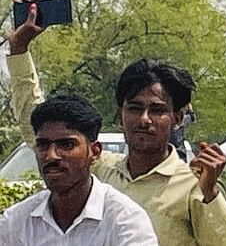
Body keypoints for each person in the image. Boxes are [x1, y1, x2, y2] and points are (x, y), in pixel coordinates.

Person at [8, 0, 226, 245]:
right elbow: (41, 124)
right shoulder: (98, 169)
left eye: (157, 110)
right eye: (135, 108)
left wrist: (209, 194)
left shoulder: (192, 185)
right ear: (120, 114)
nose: (144, 120)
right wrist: (19, 50)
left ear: (176, 118)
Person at [0, 94, 157, 245]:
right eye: (43, 145)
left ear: (94, 152)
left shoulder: (125, 222)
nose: (51, 156)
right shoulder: (17, 222)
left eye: (66, 145)